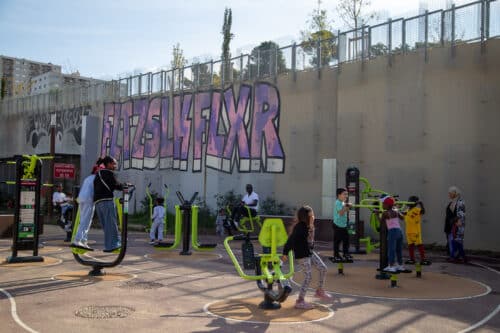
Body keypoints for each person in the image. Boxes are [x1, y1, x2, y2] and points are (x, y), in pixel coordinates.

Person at [282, 205, 332, 309]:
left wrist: (311, 225)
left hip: (309, 252)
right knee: (308, 277)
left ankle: (319, 291)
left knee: (323, 268)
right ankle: (300, 301)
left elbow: (311, 242)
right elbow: (291, 240)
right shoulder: (299, 227)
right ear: (306, 216)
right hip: (302, 255)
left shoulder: (309, 226)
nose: (313, 215)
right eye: (311, 214)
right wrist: (285, 253)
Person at [93, 156, 127, 252]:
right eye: (114, 164)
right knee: (111, 224)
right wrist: (125, 185)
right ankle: (113, 245)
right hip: (107, 201)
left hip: (98, 203)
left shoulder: (98, 173)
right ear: (108, 164)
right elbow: (115, 185)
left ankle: (109, 245)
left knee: (106, 225)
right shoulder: (109, 173)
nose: (115, 166)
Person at [71, 161, 103, 251]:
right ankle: (77, 240)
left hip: (81, 199)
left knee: (83, 220)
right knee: (86, 221)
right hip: (88, 200)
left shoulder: (88, 178)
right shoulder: (97, 178)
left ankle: (84, 241)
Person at [381, 196, 407, 273]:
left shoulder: (385, 213)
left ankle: (391, 266)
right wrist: (398, 211)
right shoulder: (396, 211)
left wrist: (376, 215)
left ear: (387, 205)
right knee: (398, 250)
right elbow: (403, 218)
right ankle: (400, 265)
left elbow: (381, 223)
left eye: (383, 204)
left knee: (391, 250)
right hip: (399, 231)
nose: (382, 205)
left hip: (392, 232)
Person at [403, 196, 430, 265]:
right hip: (408, 231)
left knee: (419, 245)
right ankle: (412, 259)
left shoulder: (416, 209)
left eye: (410, 201)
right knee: (410, 245)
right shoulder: (407, 210)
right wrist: (397, 212)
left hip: (416, 231)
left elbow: (423, 211)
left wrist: (421, 204)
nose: (409, 202)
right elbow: (403, 217)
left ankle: (423, 259)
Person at [331, 188, 353, 262]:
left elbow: (345, 209)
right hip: (338, 225)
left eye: (347, 194)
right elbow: (341, 212)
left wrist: (347, 206)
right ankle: (336, 255)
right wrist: (347, 206)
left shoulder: (343, 202)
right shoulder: (338, 202)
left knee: (346, 240)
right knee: (337, 241)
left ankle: (345, 253)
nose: (346, 196)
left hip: (343, 225)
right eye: (344, 194)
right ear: (339, 195)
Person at [444, 186, 465, 259]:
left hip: (454, 227)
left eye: (450, 193)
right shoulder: (452, 202)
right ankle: (453, 255)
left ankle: (455, 256)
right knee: (450, 241)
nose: (449, 194)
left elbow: (460, 215)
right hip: (450, 226)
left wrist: (456, 224)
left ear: (455, 193)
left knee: (454, 241)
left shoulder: (459, 202)